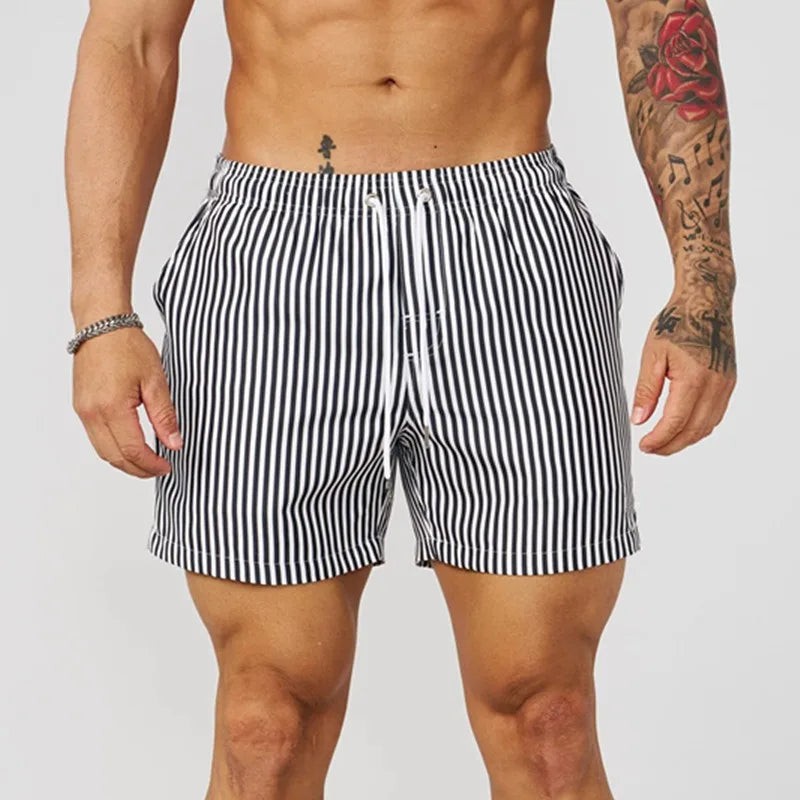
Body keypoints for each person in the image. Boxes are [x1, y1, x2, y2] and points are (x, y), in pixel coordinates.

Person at [65, 0, 737, 797]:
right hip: (274, 253)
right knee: (266, 725)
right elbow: (131, 38)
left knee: (548, 717)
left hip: (510, 243)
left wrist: (705, 285)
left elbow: (656, 14)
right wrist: (101, 312)